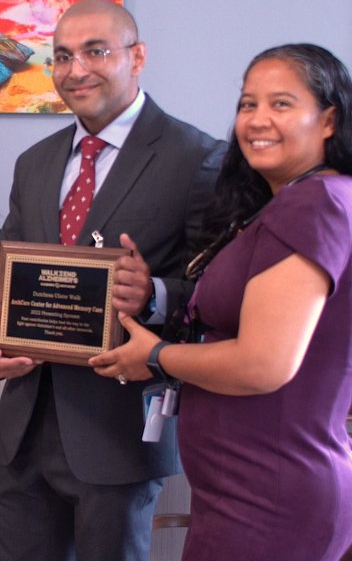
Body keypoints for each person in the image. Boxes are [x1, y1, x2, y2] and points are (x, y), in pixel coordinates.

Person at [0, 0, 226, 560]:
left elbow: (226, 292)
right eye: (62, 56)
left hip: (116, 433)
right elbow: (4, 272)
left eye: (96, 51)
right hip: (23, 429)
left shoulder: (199, 157)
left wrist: (158, 296)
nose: (76, 69)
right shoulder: (35, 161)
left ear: (137, 57)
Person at [89, 43, 352, 560]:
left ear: (328, 120)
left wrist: (156, 357)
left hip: (268, 493)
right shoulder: (294, 203)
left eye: (281, 104)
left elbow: (263, 364)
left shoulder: (313, 204)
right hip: (246, 488)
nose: (257, 120)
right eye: (247, 104)